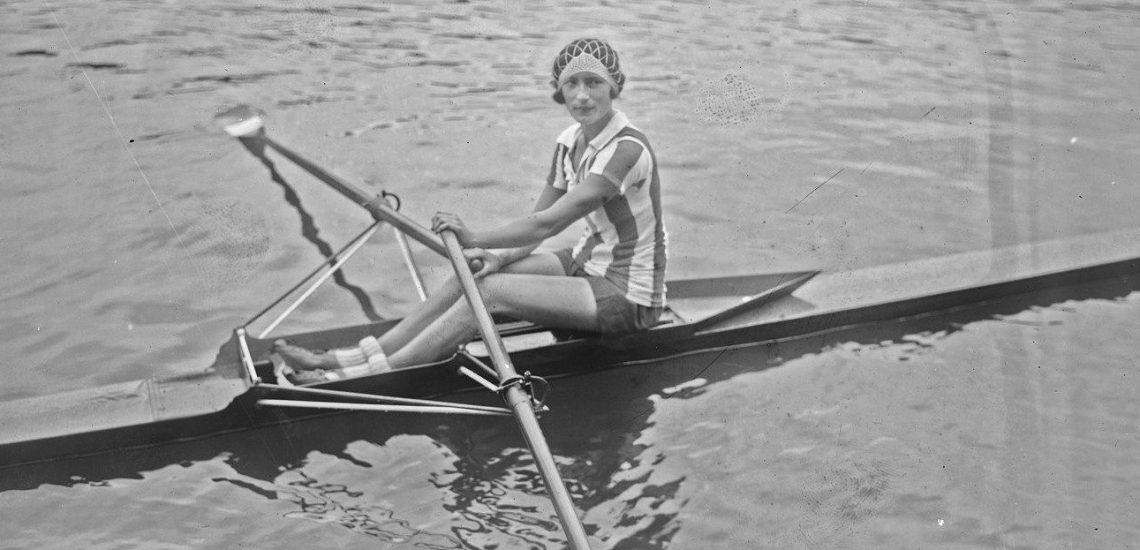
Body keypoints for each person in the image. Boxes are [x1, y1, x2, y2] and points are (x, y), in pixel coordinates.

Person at [274, 38, 668, 382]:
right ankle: (348, 357)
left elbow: (546, 225)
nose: (582, 95)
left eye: (594, 83)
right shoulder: (569, 141)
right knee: (474, 271)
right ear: (560, 91)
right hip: (585, 261)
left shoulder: (626, 149)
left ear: (614, 87)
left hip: (628, 293)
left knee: (489, 292)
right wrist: (494, 257)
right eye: (572, 84)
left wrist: (474, 236)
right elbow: (539, 221)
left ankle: (374, 376)